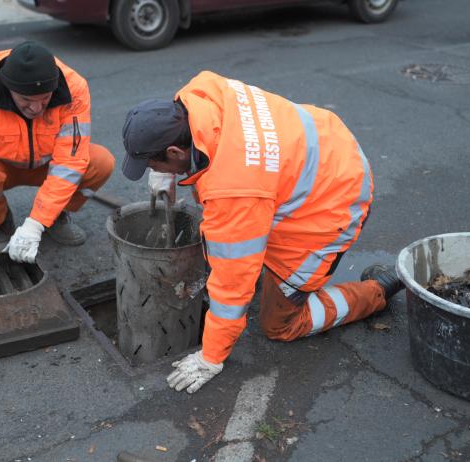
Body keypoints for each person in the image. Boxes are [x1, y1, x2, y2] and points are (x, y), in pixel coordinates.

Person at [121, 71, 404, 393]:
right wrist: (168, 176)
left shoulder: (235, 192)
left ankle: (376, 292)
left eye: (153, 166)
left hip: (333, 202)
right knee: (238, 243)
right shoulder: (200, 92)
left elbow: (232, 283)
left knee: (279, 324)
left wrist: (212, 355)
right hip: (321, 147)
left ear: (175, 152)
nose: (151, 171)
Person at [0, 41, 114, 273]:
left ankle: (54, 218)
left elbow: (70, 161)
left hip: (48, 163)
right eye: (26, 100)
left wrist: (36, 224)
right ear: (8, 88)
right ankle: (1, 223)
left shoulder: (73, 88)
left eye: (45, 99)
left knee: (101, 162)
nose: (36, 108)